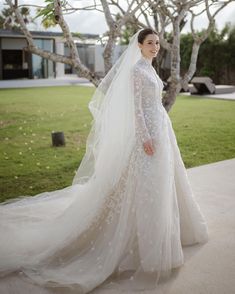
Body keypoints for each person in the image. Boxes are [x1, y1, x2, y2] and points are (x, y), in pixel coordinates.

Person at [0, 28, 209, 293]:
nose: (155, 47)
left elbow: (153, 104)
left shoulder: (150, 67)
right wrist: (145, 136)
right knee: (146, 186)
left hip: (162, 130)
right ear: (140, 45)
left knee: (164, 182)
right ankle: (148, 247)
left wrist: (161, 129)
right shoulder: (136, 71)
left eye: (157, 43)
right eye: (150, 43)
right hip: (149, 136)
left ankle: (170, 234)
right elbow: (137, 109)